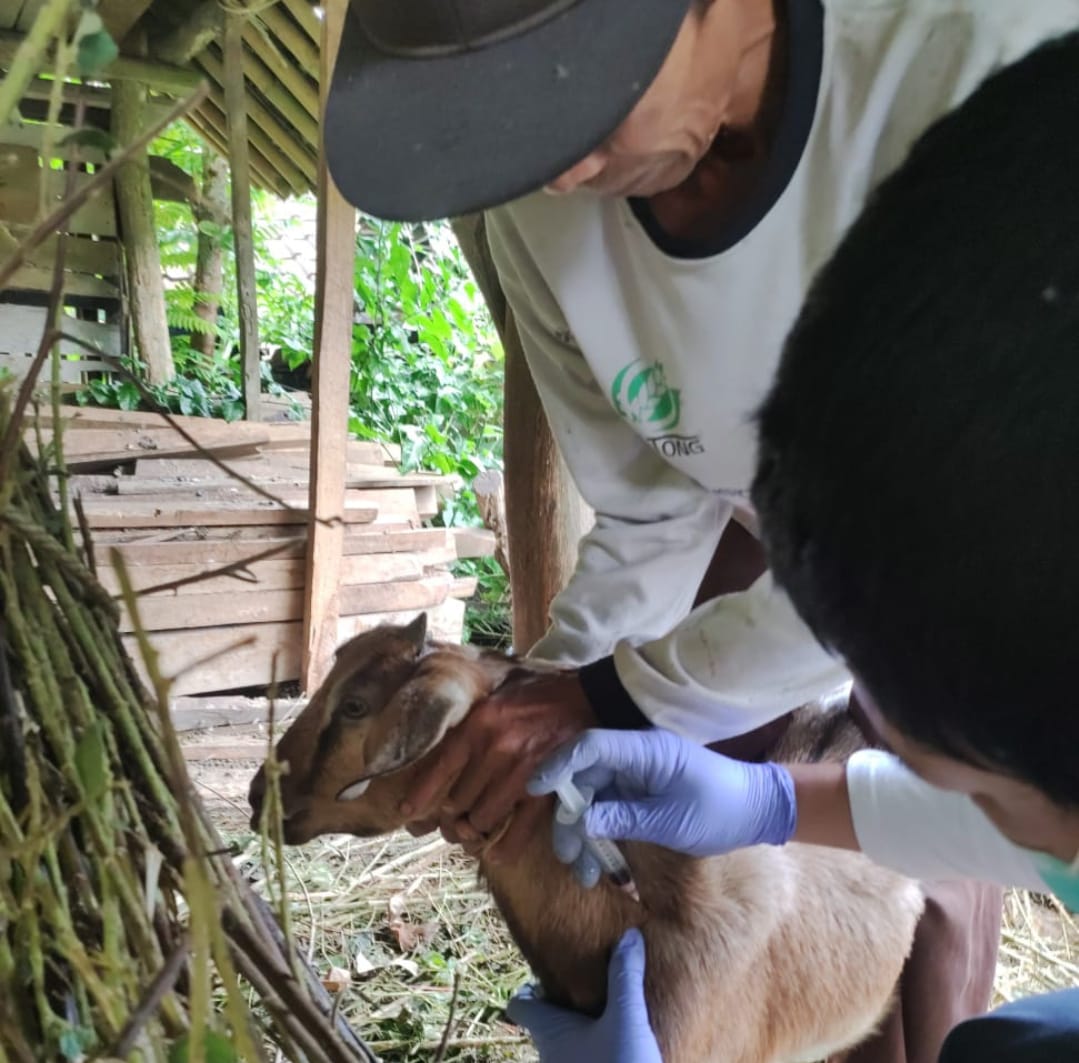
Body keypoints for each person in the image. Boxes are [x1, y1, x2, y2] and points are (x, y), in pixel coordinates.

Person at [323, 1, 1079, 1058]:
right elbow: (648, 495)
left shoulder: (978, 82)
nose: (553, 167)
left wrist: (627, 701)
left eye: (573, 95)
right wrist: (757, 796)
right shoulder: (542, 213)